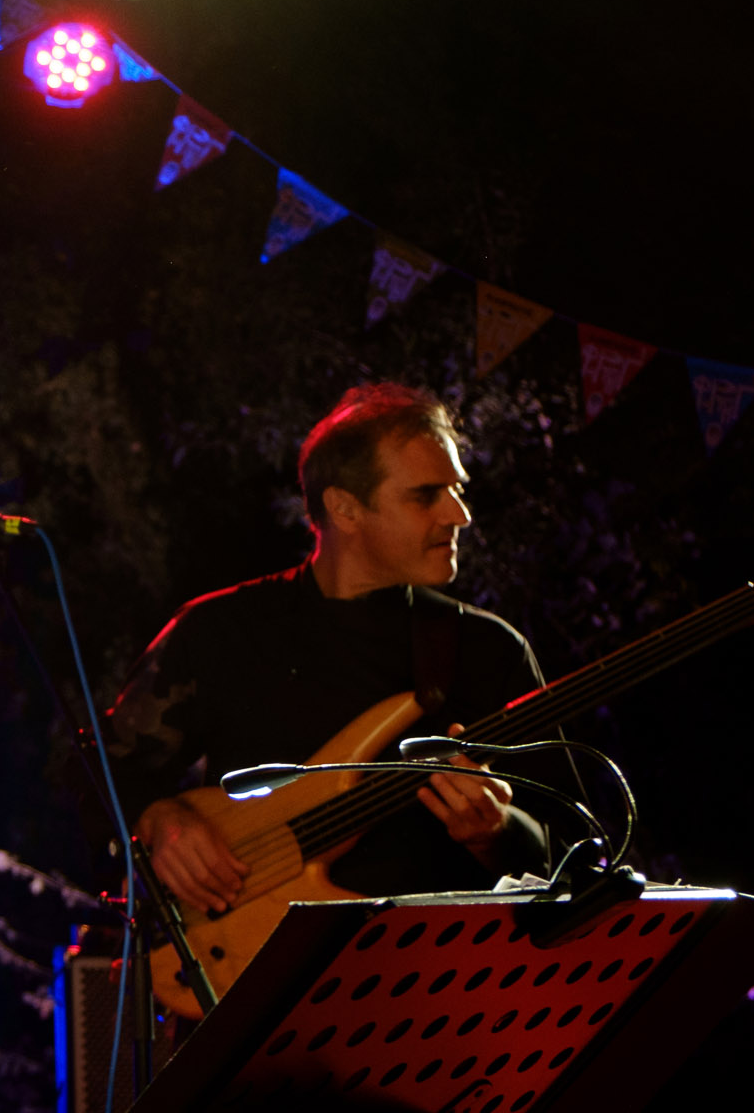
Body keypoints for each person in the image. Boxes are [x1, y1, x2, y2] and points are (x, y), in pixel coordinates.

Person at [107, 384, 553, 919]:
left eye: (457, 490)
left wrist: (499, 833)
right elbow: (102, 773)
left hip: (438, 962)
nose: (459, 515)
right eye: (425, 495)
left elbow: (576, 850)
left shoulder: (489, 650)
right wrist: (159, 822)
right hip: (255, 961)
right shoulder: (221, 631)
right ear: (344, 508)